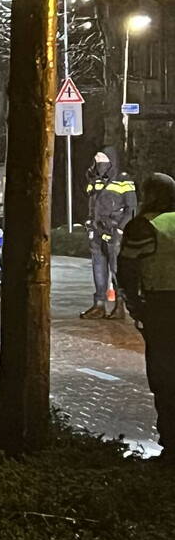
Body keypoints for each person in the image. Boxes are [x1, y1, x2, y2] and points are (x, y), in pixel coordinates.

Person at [117, 173, 175, 461]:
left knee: (165, 377)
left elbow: (127, 270)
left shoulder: (143, 226)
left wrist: (135, 307)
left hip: (162, 307)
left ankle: (171, 443)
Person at [81, 146, 137, 319]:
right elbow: (93, 204)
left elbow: (131, 209)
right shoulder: (96, 180)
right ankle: (99, 305)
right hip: (97, 230)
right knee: (98, 267)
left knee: (116, 269)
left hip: (115, 231)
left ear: (111, 161)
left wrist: (120, 229)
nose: (99, 163)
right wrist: (90, 222)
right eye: (96, 160)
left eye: (102, 160)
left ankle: (120, 306)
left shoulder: (123, 180)